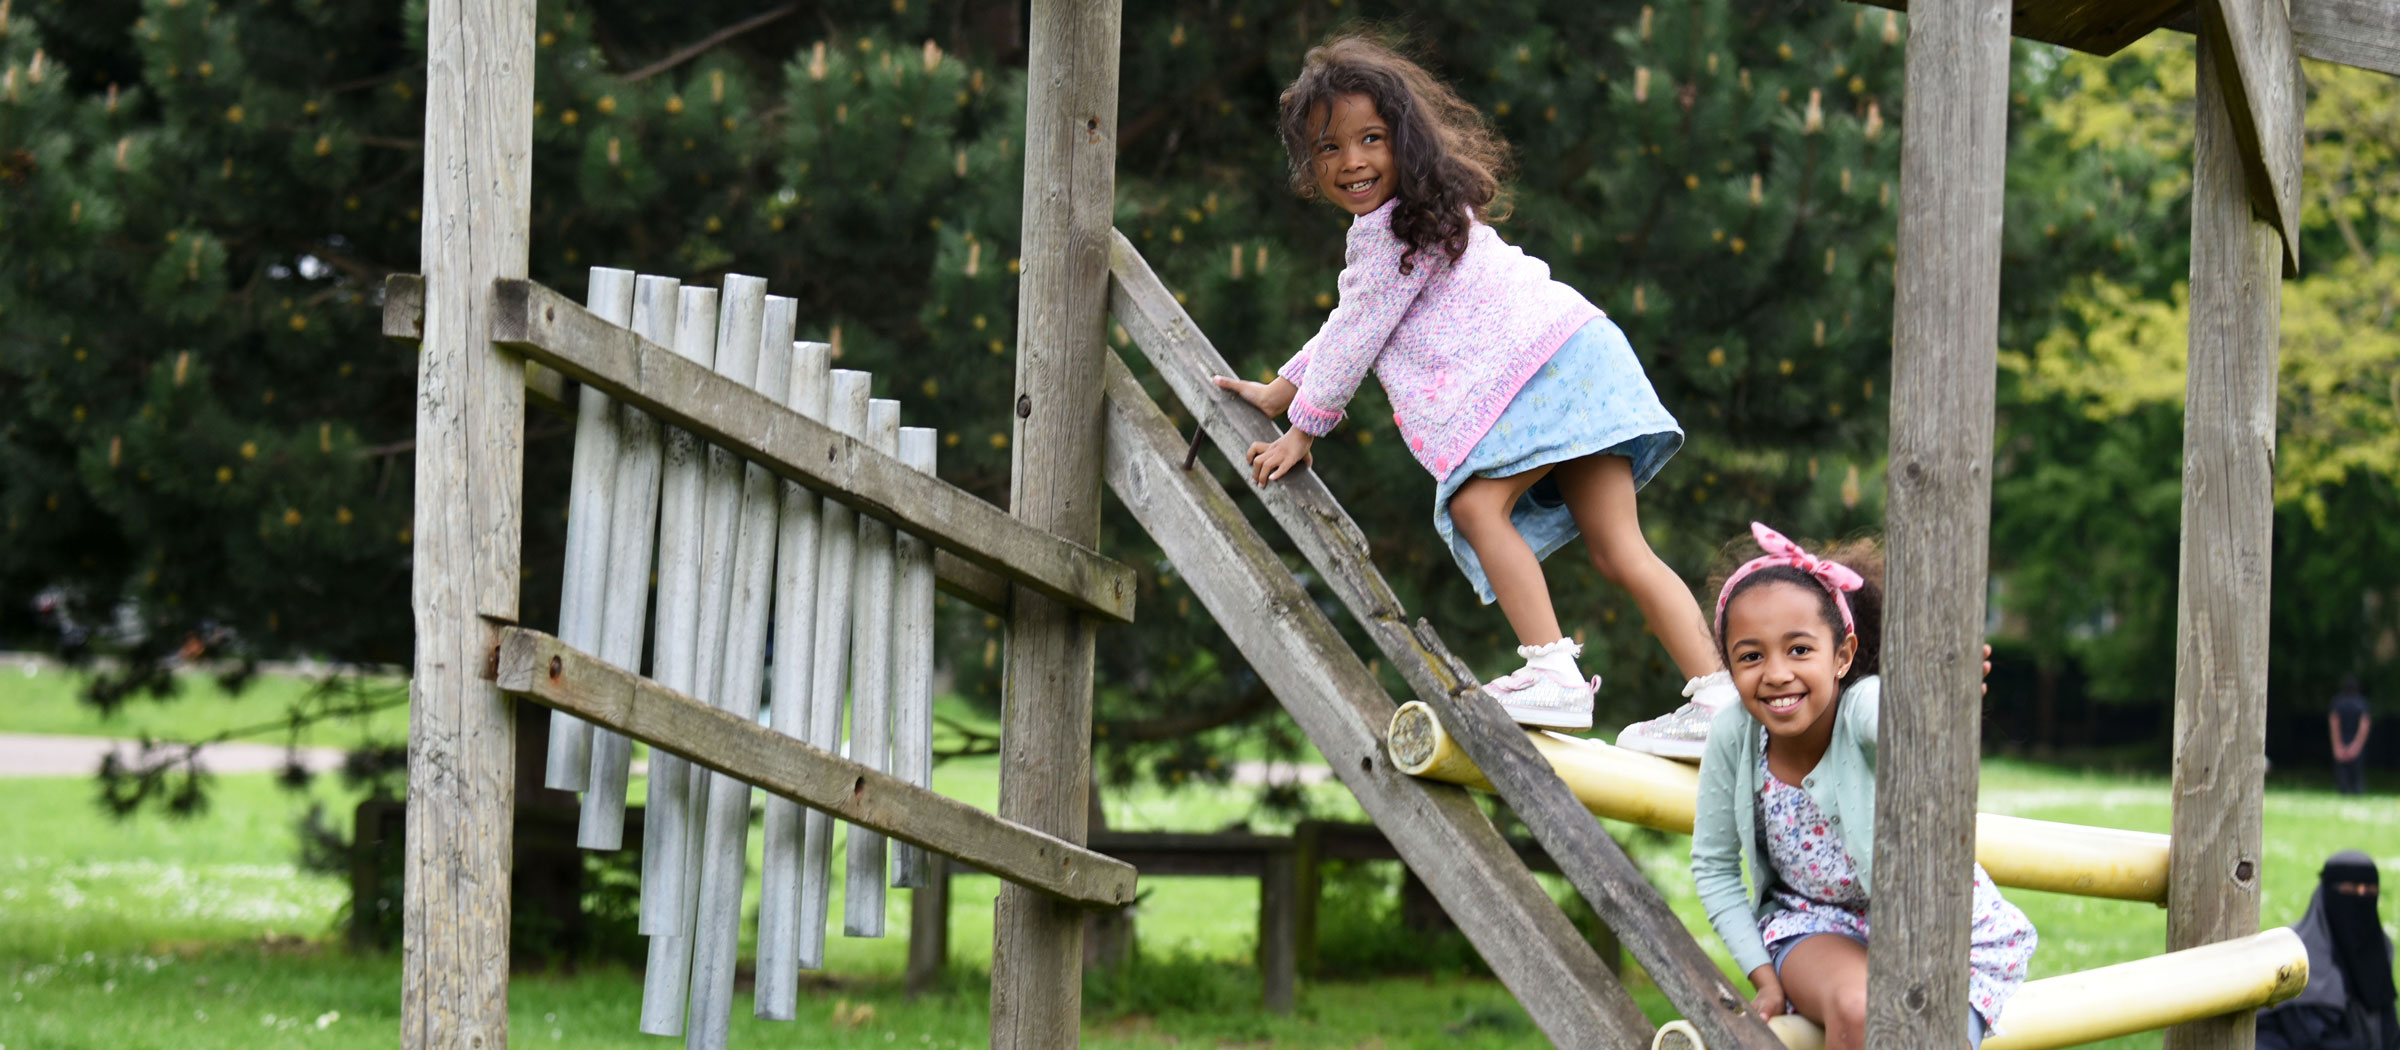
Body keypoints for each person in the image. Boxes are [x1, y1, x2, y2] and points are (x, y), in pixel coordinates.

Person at [1211, 35, 1732, 752]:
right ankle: (1718, 700)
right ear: (1308, 161)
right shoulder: (1422, 215)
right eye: (1329, 148)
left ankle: (1551, 673)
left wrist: (1303, 428)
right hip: (1580, 355)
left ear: (1406, 138)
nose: (1353, 162)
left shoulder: (1397, 227)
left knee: (1478, 503)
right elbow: (1357, 319)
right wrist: (1282, 389)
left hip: (1544, 369)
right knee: (1621, 549)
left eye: (1371, 139)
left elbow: (1360, 329)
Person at [1689, 523, 2032, 1049]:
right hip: (1813, 921)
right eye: (1751, 656)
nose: (1777, 673)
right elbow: (1713, 866)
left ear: (1843, 656)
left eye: (1799, 650)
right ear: (1730, 669)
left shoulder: (1862, 706)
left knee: (1925, 1034)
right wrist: (1763, 976)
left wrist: (1944, 695)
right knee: (1859, 1007)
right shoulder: (1735, 732)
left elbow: (1905, 721)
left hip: (1930, 919)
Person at [2257, 851, 2397, 1050]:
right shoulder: (2295, 956)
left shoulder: (2378, 949)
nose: (2360, 896)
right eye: (2350, 889)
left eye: (2369, 891)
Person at [2333, 676, 2373, 796]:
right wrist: (2356, 745)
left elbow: (2334, 724)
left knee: (2342, 781)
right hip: (2356, 743)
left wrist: (2337, 746)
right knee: (2357, 779)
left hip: (2342, 741)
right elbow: (2364, 725)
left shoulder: (2337, 702)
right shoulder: (2362, 703)